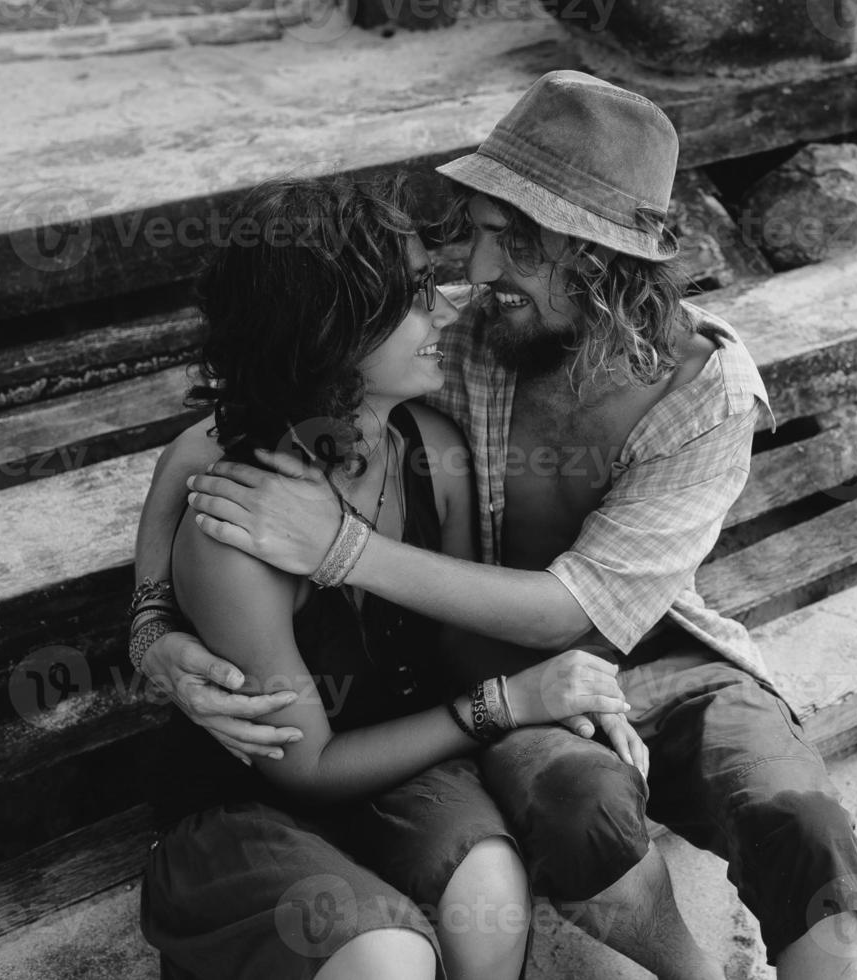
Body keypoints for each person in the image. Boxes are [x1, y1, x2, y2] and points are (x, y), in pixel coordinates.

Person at [135, 72, 857, 980]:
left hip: (661, 656)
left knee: (801, 823)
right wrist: (148, 625)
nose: (480, 275)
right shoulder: (468, 334)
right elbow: (242, 417)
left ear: (601, 262)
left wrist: (342, 551)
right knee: (584, 811)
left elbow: (573, 611)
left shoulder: (707, 395)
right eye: (483, 237)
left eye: (515, 245)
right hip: (503, 676)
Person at [135, 172, 645, 980]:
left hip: (400, 769)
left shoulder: (430, 449)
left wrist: (576, 703)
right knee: (387, 956)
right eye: (412, 296)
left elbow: (469, 637)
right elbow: (304, 770)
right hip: (251, 812)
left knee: (492, 889)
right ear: (331, 333)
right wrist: (504, 705)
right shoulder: (236, 526)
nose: (446, 306)